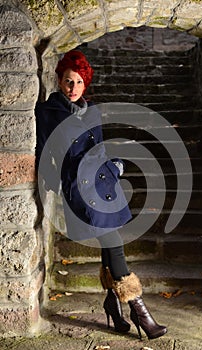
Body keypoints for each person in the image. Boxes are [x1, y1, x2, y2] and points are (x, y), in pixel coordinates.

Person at [35, 49, 167, 340]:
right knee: (114, 242)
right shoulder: (47, 112)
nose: (74, 89)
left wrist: (114, 166)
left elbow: (100, 147)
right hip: (80, 189)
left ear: (86, 84)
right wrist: (62, 185)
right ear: (59, 79)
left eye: (80, 83)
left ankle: (112, 303)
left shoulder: (91, 110)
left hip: (106, 183)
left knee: (111, 245)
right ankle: (138, 310)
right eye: (69, 81)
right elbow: (44, 155)